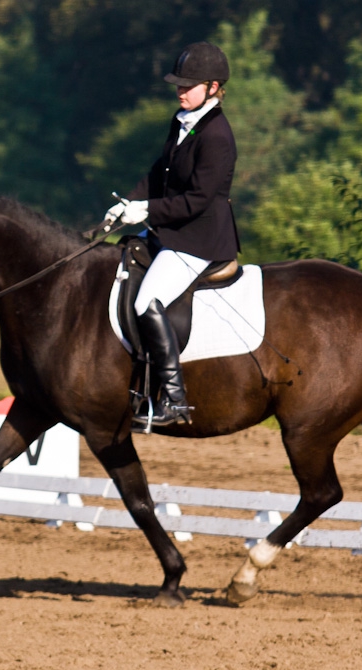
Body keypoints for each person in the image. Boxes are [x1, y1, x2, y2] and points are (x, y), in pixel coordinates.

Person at [104, 42, 241, 427]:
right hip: (173, 231)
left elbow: (197, 200)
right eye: (178, 84)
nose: (180, 91)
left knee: (146, 300)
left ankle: (174, 399)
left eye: (189, 85)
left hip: (199, 239)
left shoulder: (217, 136)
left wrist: (145, 210)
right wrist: (126, 203)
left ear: (213, 87)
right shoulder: (183, 119)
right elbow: (158, 173)